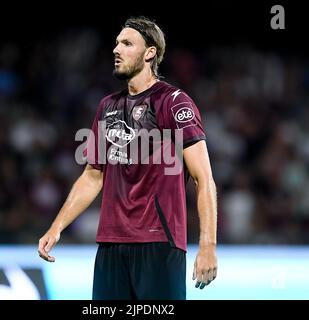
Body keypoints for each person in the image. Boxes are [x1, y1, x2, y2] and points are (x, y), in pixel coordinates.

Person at [38, 16, 218, 300]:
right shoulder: (107, 106)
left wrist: (207, 245)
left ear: (149, 53)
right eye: (116, 43)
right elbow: (92, 175)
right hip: (110, 245)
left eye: (126, 43)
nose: (116, 49)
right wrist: (57, 227)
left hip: (159, 242)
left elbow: (203, 177)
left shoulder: (173, 102)